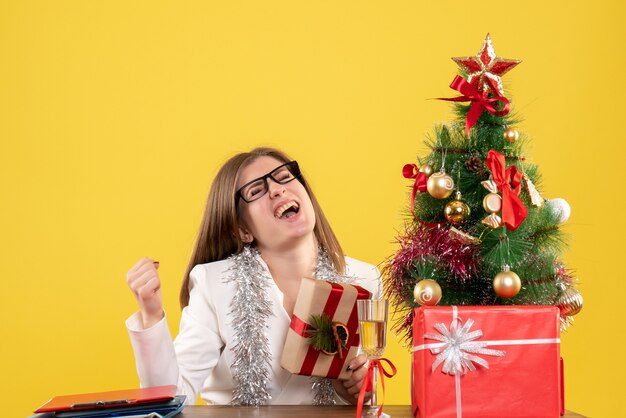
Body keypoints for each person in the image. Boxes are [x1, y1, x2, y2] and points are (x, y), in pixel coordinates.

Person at [125, 147, 382, 406]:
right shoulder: (214, 284)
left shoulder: (364, 280)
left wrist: (356, 390)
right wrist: (151, 316)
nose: (277, 189)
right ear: (243, 230)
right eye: (256, 191)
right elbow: (173, 398)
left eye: (283, 176)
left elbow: (365, 393)